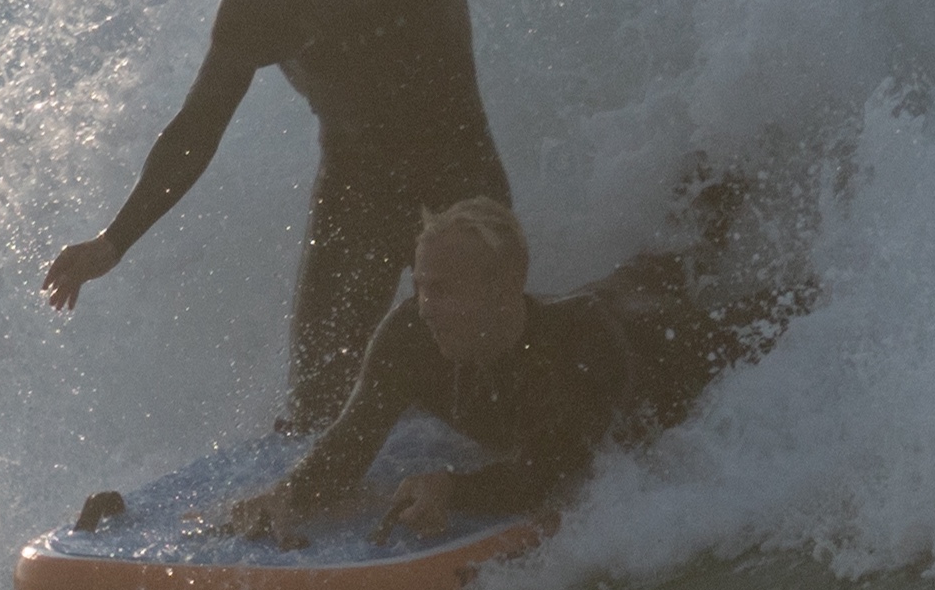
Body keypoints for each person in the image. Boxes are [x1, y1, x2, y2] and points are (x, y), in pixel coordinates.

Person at [41, 0, 660, 427]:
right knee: (316, 401)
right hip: (356, 198)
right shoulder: (261, 0)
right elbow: (196, 128)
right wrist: (116, 239)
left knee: (494, 387)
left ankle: (622, 352)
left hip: (460, 192)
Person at [203, 195, 764, 543]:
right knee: (670, 251)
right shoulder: (409, 335)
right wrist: (290, 492)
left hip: (666, 342)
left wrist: (452, 488)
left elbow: (550, 470)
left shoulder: (577, 347)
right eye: (420, 286)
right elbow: (352, 441)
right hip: (614, 295)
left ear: (503, 290)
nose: (425, 305)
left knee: (763, 308)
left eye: (443, 290)